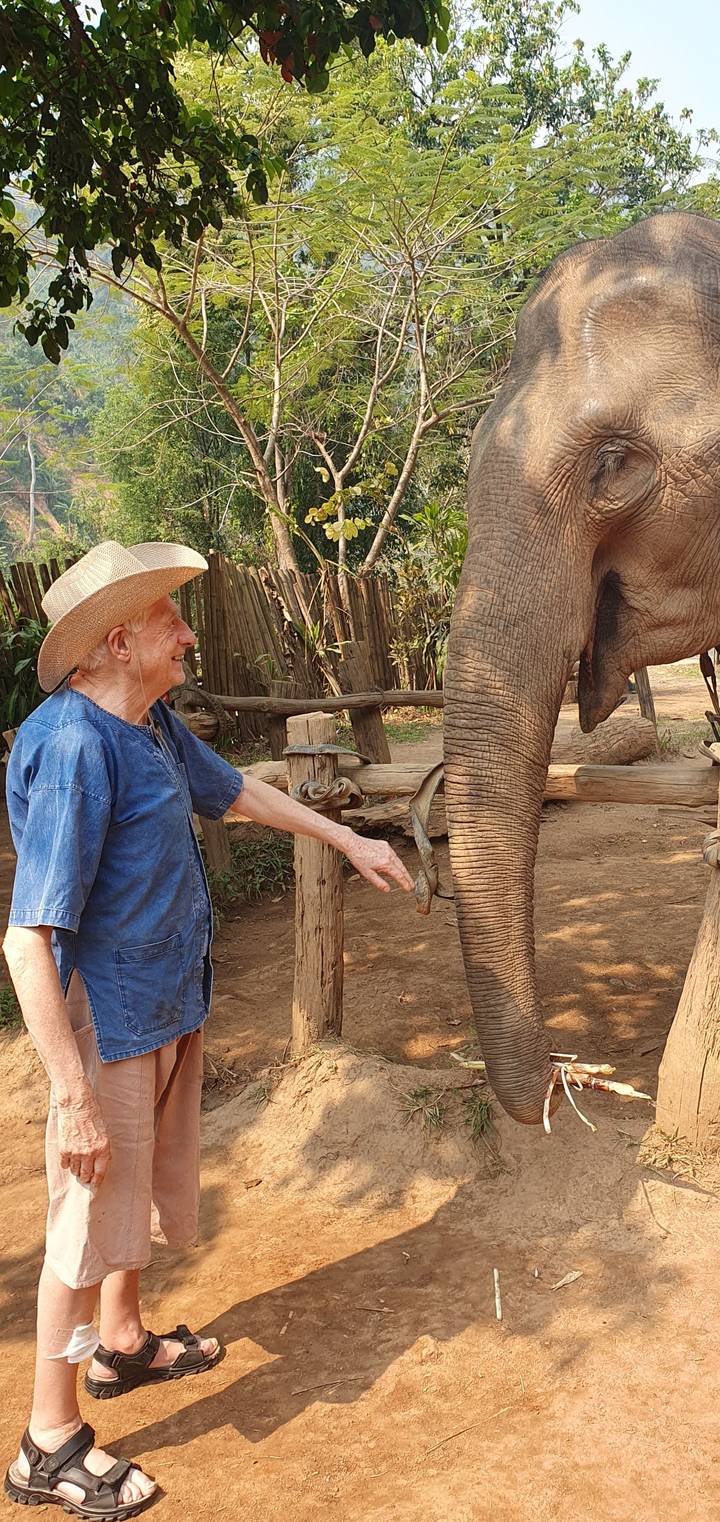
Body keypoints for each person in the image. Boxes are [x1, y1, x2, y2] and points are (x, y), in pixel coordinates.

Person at [2, 541, 413, 1518]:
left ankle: (124, 1342)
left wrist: (348, 837)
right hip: (104, 1021)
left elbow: (236, 792)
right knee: (83, 1219)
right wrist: (70, 1095)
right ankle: (47, 1441)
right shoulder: (74, 749)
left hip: (163, 1000)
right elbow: (26, 939)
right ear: (115, 642)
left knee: (134, 1191)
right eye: (168, 623)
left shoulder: (149, 723)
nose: (188, 635)